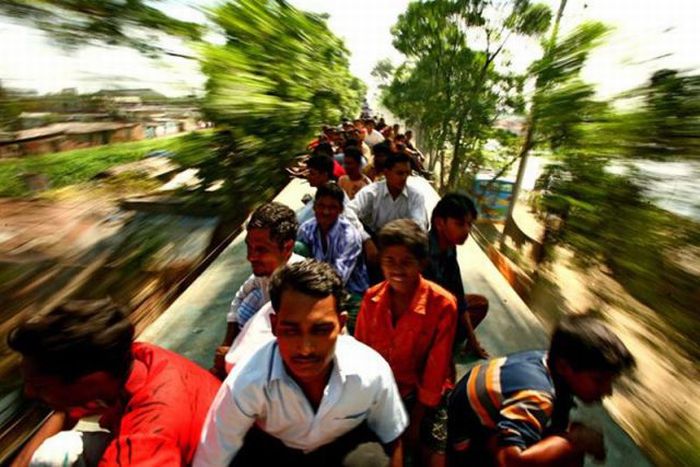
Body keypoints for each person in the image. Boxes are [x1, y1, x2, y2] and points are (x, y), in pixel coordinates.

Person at [194, 260, 408, 467]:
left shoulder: (371, 371)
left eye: (321, 330)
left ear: (340, 325)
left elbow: (392, 437)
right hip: (275, 453)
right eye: (291, 331)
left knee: (370, 460)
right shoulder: (245, 383)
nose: (305, 349)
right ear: (275, 326)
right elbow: (212, 458)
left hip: (342, 450)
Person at [8, 299, 220, 466]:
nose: (29, 393)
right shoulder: (135, 357)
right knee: (52, 454)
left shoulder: (148, 436)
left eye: (40, 387)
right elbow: (63, 412)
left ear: (90, 380)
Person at [447, 314, 636, 466]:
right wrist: (576, 439)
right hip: (458, 449)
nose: (608, 391)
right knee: (569, 447)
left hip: (474, 428)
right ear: (564, 366)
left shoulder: (547, 363)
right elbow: (509, 462)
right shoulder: (538, 395)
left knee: (564, 441)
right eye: (599, 380)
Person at [355, 219, 457, 467]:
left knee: (434, 457)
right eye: (389, 261)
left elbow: (435, 369)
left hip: (422, 396)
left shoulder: (443, 305)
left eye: (407, 262)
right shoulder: (371, 299)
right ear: (381, 262)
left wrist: (416, 419)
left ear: (421, 263)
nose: (397, 269)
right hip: (378, 393)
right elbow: (360, 356)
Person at [212, 202, 302, 378]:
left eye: (261, 250)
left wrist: (231, 358)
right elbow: (239, 297)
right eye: (249, 247)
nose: (250, 257)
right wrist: (228, 342)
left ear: (287, 248)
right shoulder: (263, 274)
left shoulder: (299, 289)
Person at [424, 193, 489, 358]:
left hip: (442, 306)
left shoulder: (450, 248)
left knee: (480, 304)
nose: (467, 230)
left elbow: (459, 296)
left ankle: (449, 342)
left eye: (469, 225)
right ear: (439, 223)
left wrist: (473, 341)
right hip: (422, 315)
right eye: (460, 224)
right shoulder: (423, 251)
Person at [297, 183, 369, 332]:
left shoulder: (350, 236)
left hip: (350, 293)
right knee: (297, 248)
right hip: (315, 288)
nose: (326, 211)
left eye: (332, 207)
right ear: (314, 207)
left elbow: (339, 278)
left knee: (355, 330)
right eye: (321, 206)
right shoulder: (306, 229)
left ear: (340, 210)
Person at [349, 152, 429, 266]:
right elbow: (348, 211)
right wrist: (366, 239)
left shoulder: (415, 196)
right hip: (374, 243)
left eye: (407, 173)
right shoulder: (372, 192)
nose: (404, 178)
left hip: (403, 245)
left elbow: (419, 225)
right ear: (386, 173)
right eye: (400, 173)